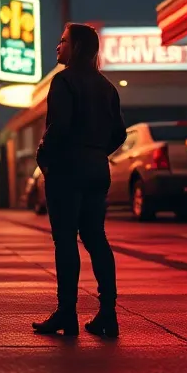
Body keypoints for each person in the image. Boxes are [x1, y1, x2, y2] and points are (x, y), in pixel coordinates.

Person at [31, 23, 127, 338]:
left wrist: (44, 156)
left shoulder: (64, 81)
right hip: (97, 168)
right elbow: (120, 133)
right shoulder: (106, 86)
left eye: (63, 41)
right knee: (96, 238)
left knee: (65, 241)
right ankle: (108, 314)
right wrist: (96, 152)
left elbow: (60, 127)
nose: (57, 46)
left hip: (67, 168)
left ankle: (66, 314)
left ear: (78, 48)